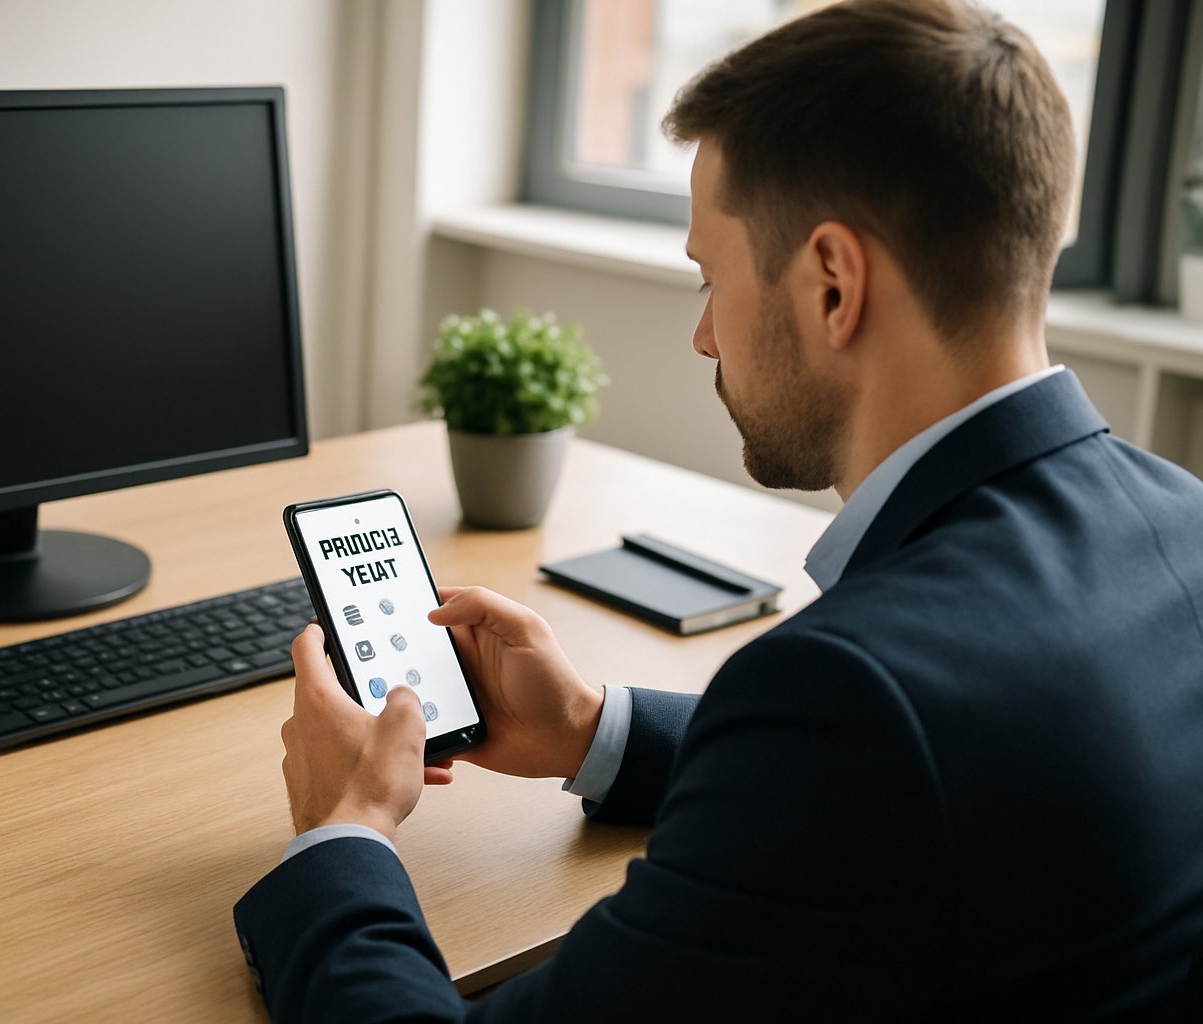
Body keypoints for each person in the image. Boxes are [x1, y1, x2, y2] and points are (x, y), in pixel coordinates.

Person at [234, 0, 1203, 1018]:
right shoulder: (1182, 522)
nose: (704, 336)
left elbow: (867, 746)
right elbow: (919, 773)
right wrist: (591, 729)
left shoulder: (851, 696)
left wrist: (342, 831)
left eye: (711, 278)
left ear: (834, 282)